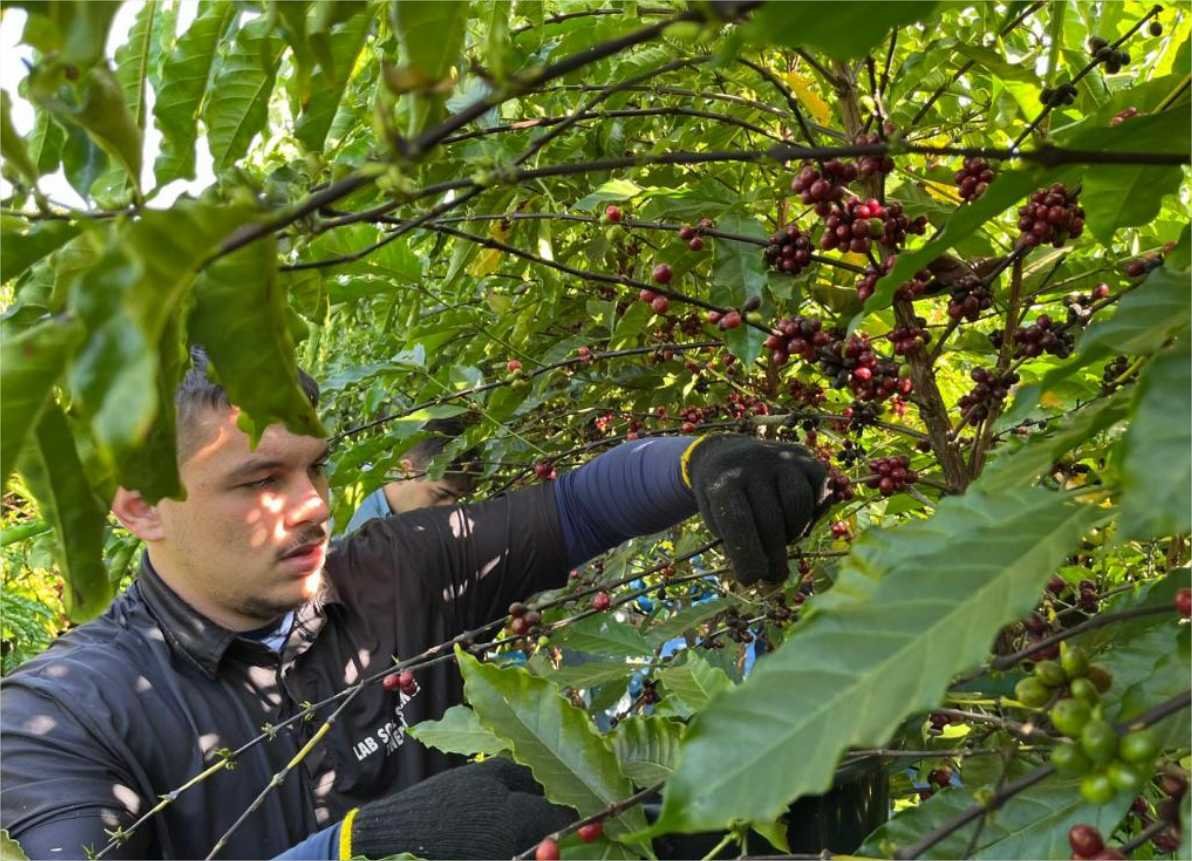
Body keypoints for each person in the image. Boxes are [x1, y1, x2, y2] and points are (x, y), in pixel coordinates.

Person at [0, 349, 828, 860]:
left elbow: (576, 507)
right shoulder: (63, 715)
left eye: (316, 467)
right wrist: (348, 851)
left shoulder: (396, 571)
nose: (314, 505)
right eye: (260, 480)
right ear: (139, 504)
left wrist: (702, 463)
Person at [343, 417, 477, 532]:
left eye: (457, 500)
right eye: (441, 495)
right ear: (403, 470)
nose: (449, 510)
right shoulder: (351, 515)